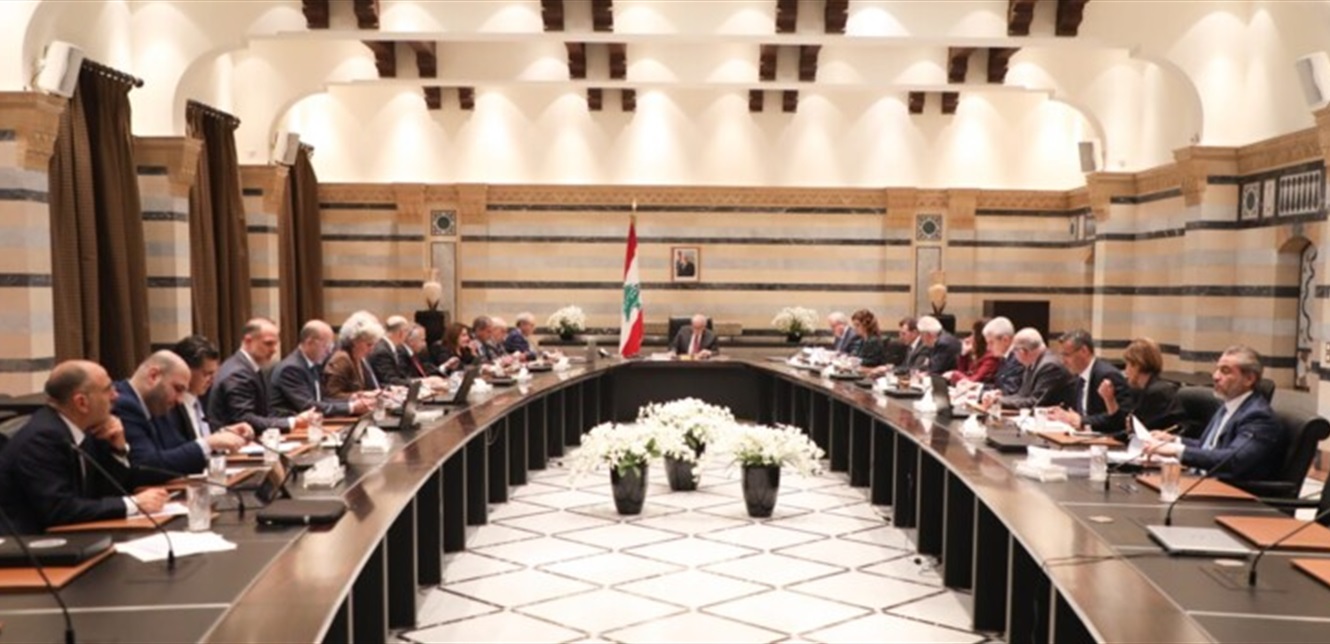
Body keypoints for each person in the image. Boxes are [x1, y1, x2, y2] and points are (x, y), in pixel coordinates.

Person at [0, 361, 169, 534]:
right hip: (33, 543)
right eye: (107, 390)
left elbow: (105, 491)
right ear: (81, 402)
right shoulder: (43, 439)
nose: (116, 395)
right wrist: (132, 504)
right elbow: (60, 509)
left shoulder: (85, 429)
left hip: (77, 535)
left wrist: (118, 450)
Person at [1145, 346, 1285, 481]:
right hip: (1199, 481)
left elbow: (1233, 460)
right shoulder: (1228, 405)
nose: (1215, 376)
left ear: (1249, 379)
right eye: (1217, 369)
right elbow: (1209, 447)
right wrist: (1174, 440)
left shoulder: (1258, 417)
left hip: (1230, 491)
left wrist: (1177, 450)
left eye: (1225, 371)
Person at [116, 351, 248, 483]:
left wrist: (219, 438)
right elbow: (147, 467)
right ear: (153, 376)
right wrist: (209, 443)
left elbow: (178, 449)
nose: (180, 400)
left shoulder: (154, 403)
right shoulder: (123, 404)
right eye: (178, 389)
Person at [208, 318, 314, 433]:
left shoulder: (249, 367)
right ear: (248, 341)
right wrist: (293, 422)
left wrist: (292, 418)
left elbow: (263, 412)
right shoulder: (238, 373)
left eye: (276, 344)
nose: (274, 350)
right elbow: (244, 419)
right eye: (268, 344)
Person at [270, 320, 374, 417]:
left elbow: (321, 400)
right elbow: (309, 406)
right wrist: (351, 407)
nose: (329, 352)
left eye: (331, 347)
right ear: (309, 342)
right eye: (326, 346)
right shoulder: (291, 369)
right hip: (290, 426)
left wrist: (353, 400)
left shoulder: (312, 364)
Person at [167, 334, 256, 444]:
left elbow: (202, 437)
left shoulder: (201, 398)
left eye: (214, 374)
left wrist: (225, 432)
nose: (212, 380)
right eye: (206, 374)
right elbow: (184, 449)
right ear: (185, 370)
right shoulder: (170, 407)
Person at [1046, 330, 1132, 433]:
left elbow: (1121, 418)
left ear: (1084, 351)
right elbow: (1076, 413)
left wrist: (1082, 421)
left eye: (1067, 355)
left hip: (1106, 438)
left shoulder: (1107, 375)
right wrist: (1063, 414)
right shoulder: (1078, 377)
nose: (1063, 361)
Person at [1095, 337, 1181, 435]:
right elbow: (1121, 425)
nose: (1126, 371)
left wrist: (1107, 438)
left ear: (1137, 365)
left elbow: (1135, 432)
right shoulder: (1139, 390)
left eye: (1127, 365)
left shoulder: (1157, 393)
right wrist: (1109, 400)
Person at [982, 328, 1077, 410]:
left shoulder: (1049, 366)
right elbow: (1021, 395)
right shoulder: (1033, 363)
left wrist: (998, 401)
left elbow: (1036, 402)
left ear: (1022, 352)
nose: (1014, 356)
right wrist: (998, 399)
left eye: (1014, 351)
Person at [324, 311, 387, 398]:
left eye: (374, 345)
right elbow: (332, 395)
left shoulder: (361, 359)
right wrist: (361, 396)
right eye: (369, 344)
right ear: (354, 341)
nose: (372, 349)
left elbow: (369, 387)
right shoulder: (341, 359)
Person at [947, 318, 1000, 386]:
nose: (969, 338)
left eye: (973, 334)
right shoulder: (977, 353)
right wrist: (963, 355)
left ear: (980, 338)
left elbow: (973, 381)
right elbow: (963, 375)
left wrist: (954, 374)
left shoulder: (991, 357)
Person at [981, 317, 1024, 395]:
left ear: (1005, 340)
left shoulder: (1019, 358)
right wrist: (978, 387)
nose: (988, 348)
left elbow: (1010, 390)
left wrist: (980, 394)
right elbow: (998, 386)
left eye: (991, 343)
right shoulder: (1005, 357)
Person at [368, 315, 413, 387]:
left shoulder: (390, 347)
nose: (407, 336)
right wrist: (416, 382)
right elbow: (389, 380)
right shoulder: (382, 351)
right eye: (407, 332)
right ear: (401, 333)